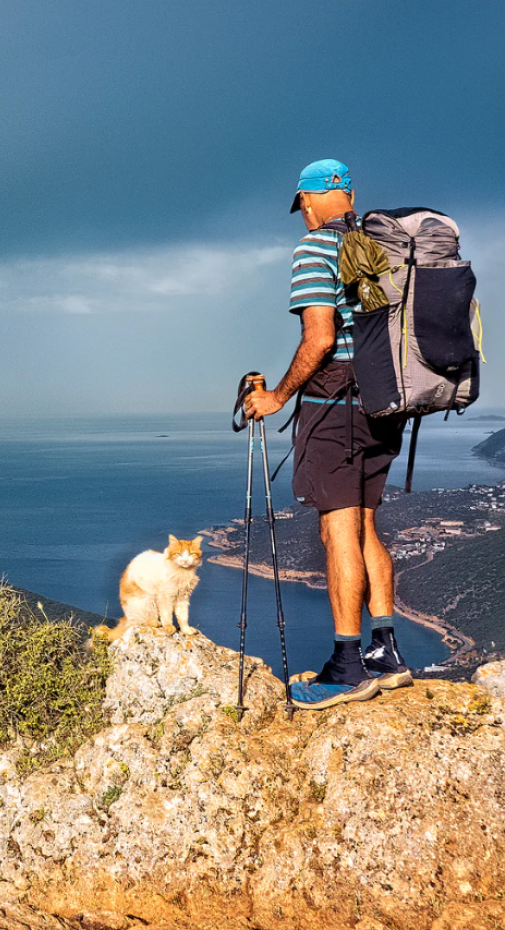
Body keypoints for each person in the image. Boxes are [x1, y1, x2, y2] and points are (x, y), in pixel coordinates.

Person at [243, 159, 413, 711]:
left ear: (311, 200)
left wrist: (276, 396)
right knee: (365, 524)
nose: (303, 215)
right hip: (387, 401)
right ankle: (386, 653)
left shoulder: (314, 248)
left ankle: (347, 666)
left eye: (302, 206)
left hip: (335, 405)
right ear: (351, 196)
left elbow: (318, 339)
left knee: (337, 529)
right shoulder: (386, 245)